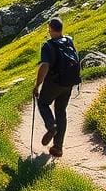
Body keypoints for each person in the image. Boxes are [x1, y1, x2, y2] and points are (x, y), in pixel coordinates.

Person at [32, 17, 82, 158]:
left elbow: (45, 66)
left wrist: (37, 85)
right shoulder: (69, 41)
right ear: (61, 28)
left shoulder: (48, 46)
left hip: (54, 82)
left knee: (43, 102)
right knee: (61, 111)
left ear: (50, 29)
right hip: (69, 82)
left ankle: (51, 127)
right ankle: (58, 148)